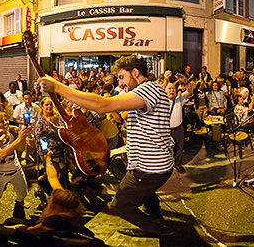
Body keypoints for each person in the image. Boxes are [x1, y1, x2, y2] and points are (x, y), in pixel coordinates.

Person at [38, 56, 175, 237]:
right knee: (146, 192)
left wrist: (57, 87)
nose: (120, 83)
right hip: (154, 165)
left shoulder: (147, 90)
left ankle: (156, 229)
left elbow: (103, 105)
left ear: (135, 72)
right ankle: (155, 218)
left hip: (148, 168)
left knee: (120, 206)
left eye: (122, 77)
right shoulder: (152, 89)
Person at [0, 151, 96, 245]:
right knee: (9, 220)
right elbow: (52, 177)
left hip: (41, 239)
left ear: (58, 205)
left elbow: (31, 231)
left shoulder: (55, 220)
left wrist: (16, 228)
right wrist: (48, 159)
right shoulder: (70, 208)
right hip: (46, 230)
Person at [0, 112, 31, 214]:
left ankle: (20, 201)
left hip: (16, 170)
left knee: (23, 191)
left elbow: (26, 145)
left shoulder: (12, 132)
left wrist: (28, 135)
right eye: (1, 121)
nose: (6, 123)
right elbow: (2, 154)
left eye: (6, 120)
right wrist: (19, 139)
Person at [167, 78, 193, 173]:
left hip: (179, 129)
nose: (172, 90)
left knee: (179, 148)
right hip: (166, 130)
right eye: (169, 88)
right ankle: (167, 166)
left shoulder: (179, 99)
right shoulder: (162, 101)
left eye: (173, 88)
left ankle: (177, 164)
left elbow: (189, 91)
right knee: (166, 149)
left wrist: (186, 82)